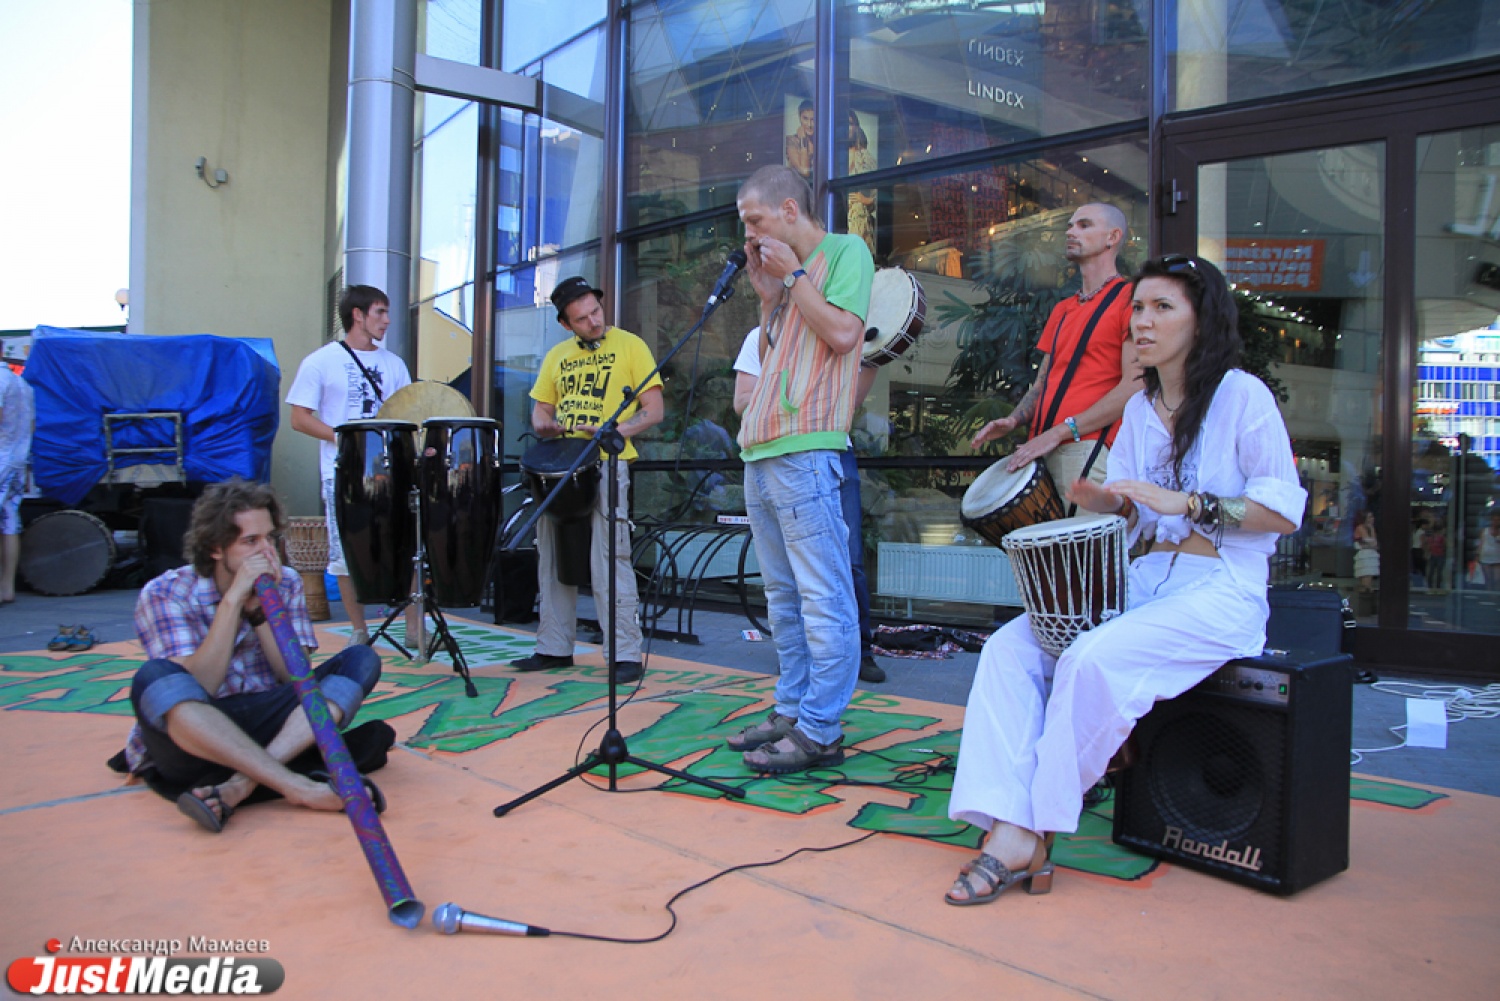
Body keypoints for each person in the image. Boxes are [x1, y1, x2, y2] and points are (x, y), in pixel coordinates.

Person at [943, 255, 1304, 905]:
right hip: (1146, 578)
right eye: (1138, 307)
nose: (1142, 321)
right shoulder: (1140, 408)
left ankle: (1027, 830)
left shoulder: (1242, 395)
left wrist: (1189, 503)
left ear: (1202, 320)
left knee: (1089, 659)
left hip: (1221, 590)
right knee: (1009, 648)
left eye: (1162, 307)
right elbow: (1137, 514)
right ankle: (1009, 815)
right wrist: (1111, 502)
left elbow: (1282, 511)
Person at [123, 479, 385, 832]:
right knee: (153, 677)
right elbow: (199, 686)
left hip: (271, 728)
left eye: (270, 538)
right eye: (250, 541)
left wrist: (261, 612)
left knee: (360, 659)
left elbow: (294, 678)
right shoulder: (166, 593)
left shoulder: (286, 581)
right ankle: (296, 785)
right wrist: (233, 602)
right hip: (196, 737)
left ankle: (240, 785)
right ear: (215, 547)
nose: (266, 552)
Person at [725, 164, 875, 774]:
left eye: (755, 220)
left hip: (807, 450)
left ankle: (820, 728)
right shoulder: (788, 281)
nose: (749, 234)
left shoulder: (844, 252)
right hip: (761, 453)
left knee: (822, 597)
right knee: (783, 600)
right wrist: (770, 300)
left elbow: (842, 333)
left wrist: (792, 277)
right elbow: (771, 359)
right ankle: (791, 708)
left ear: (789, 210)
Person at [510, 276, 664, 684]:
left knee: (611, 556)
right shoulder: (556, 355)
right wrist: (546, 425)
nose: (593, 321)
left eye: (595, 311)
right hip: (557, 464)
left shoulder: (631, 345)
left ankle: (624, 654)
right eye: (582, 319)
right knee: (550, 555)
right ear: (565, 324)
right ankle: (553, 647)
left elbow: (653, 410)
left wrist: (614, 432)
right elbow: (540, 411)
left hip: (606, 461)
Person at [734, 326, 885, 683]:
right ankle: (800, 660)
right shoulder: (759, 334)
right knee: (786, 575)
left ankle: (857, 652)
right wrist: (795, 390)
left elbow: (849, 400)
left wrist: (874, 357)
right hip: (771, 452)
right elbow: (741, 402)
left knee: (848, 561)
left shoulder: (839, 327)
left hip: (828, 450)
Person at [970, 203, 1142, 492]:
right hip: (1042, 446)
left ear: (1112, 237)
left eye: (1084, 225)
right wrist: (1013, 420)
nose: (1071, 232)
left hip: (1088, 446)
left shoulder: (1130, 299)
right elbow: (1042, 383)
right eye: (1070, 225)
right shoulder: (1063, 309)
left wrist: (1061, 431)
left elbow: (1134, 386)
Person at [286, 285, 412, 646]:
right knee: (345, 554)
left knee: (407, 546)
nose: (387, 320)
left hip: (391, 471)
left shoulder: (394, 364)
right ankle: (359, 629)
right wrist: (346, 440)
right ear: (357, 315)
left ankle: (414, 627)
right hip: (342, 473)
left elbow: (408, 413)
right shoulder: (320, 361)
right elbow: (299, 418)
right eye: (380, 312)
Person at [0, 364, 35, 604]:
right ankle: (6, 587)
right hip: (18, 459)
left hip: (1, 457)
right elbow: (31, 425)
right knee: (9, 522)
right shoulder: (23, 385)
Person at [846, 112, 876, 254]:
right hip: (838, 218)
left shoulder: (865, 157)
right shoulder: (833, 156)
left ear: (856, 127)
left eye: (850, 124)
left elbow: (880, 190)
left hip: (858, 219)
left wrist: (867, 200)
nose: (846, 128)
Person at [785, 100, 815, 182]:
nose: (809, 124)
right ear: (800, 118)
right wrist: (803, 140)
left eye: (813, 120)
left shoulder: (820, 141)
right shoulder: (791, 141)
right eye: (805, 119)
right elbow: (805, 171)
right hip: (797, 187)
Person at [1353, 509, 1379, 593]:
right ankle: (1364, 594)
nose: (1372, 518)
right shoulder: (1360, 528)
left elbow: (1374, 543)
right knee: (1366, 576)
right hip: (1365, 556)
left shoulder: (1371, 528)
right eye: (1370, 517)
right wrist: (1371, 529)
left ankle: (1367, 592)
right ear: (1365, 518)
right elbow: (1370, 542)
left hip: (1371, 555)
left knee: (1369, 577)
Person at [1480, 511, 1500, 590]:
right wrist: (1478, 554)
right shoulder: (1485, 530)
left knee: (1497, 579)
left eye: (1498, 520)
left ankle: (1496, 594)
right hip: (1486, 557)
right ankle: (1489, 594)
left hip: (1497, 558)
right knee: (1488, 579)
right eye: (1494, 520)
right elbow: (1481, 542)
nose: (1496, 522)